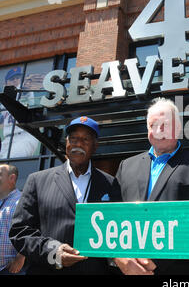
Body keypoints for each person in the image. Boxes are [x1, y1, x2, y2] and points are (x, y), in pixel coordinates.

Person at [114, 97, 189, 275]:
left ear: (177, 128)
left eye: (165, 124)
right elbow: (112, 217)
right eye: (153, 125)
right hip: (128, 270)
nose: (159, 130)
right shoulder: (126, 166)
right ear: (147, 129)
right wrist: (118, 257)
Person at [9, 116, 122, 274]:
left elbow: (117, 233)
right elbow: (20, 232)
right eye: (73, 138)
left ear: (95, 146)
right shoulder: (37, 180)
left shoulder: (110, 184)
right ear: (66, 142)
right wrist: (53, 253)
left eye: (85, 140)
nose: (78, 144)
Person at [0, 67, 39, 159]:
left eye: (18, 78)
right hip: (7, 140)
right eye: (12, 79)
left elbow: (23, 89)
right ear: (6, 83)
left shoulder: (24, 91)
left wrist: (25, 84)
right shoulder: (4, 101)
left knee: (7, 165)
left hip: (25, 136)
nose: (15, 80)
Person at [0, 164, 25, 275]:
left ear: (12, 178)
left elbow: (33, 230)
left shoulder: (23, 201)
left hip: (11, 269)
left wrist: (20, 257)